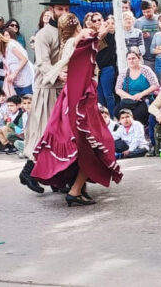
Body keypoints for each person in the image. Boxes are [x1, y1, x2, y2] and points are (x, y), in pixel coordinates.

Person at [31, 25, 122, 206]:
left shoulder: (79, 50)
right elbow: (87, 50)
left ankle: (79, 189)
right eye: (86, 27)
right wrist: (99, 33)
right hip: (79, 102)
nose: (90, 30)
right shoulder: (79, 49)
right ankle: (75, 190)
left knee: (86, 147)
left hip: (78, 101)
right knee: (91, 148)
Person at [21, 0, 79, 194]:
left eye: (66, 9)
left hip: (67, 89)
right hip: (48, 88)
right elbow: (42, 63)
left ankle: (59, 179)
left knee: (65, 136)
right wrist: (58, 74)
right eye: (59, 9)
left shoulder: (72, 32)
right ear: (52, 10)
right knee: (45, 132)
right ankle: (28, 171)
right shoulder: (43, 34)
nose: (63, 12)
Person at [115, 50, 159, 124]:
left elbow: (155, 85)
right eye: (129, 59)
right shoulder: (124, 72)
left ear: (139, 59)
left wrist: (141, 94)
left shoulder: (146, 70)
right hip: (130, 100)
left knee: (136, 115)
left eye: (133, 58)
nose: (131, 61)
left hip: (144, 99)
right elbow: (118, 89)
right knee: (116, 112)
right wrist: (130, 97)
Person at [88, 12, 118, 116]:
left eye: (99, 20)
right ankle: (102, 118)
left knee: (108, 95)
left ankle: (113, 117)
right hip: (96, 69)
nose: (97, 22)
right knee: (99, 95)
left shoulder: (109, 34)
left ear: (103, 20)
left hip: (107, 68)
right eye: (94, 20)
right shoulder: (91, 35)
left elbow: (110, 51)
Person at [0, 28, 34, 96]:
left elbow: (24, 59)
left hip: (24, 78)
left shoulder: (12, 45)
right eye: (4, 35)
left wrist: (15, 73)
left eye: (8, 35)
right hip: (14, 81)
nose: (6, 37)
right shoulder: (4, 48)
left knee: (26, 100)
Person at [135, 0, 160, 70]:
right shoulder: (138, 22)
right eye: (144, 12)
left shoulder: (160, 19)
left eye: (148, 11)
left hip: (160, 57)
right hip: (146, 58)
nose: (146, 14)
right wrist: (141, 37)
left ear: (153, 8)